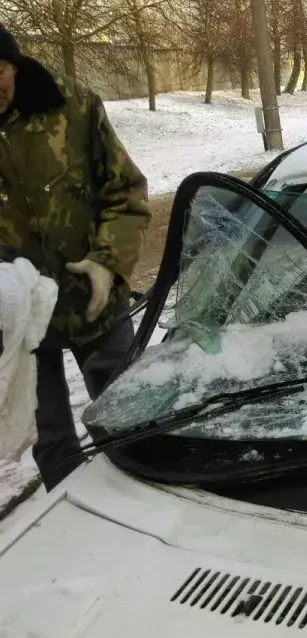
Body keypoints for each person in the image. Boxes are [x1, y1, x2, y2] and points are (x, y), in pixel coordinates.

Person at [0, 25, 150, 490]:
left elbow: (125, 191)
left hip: (96, 302)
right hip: (19, 317)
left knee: (131, 420)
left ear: (13, 64)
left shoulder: (73, 104)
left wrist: (107, 262)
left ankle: (146, 504)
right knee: (51, 440)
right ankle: (77, 526)